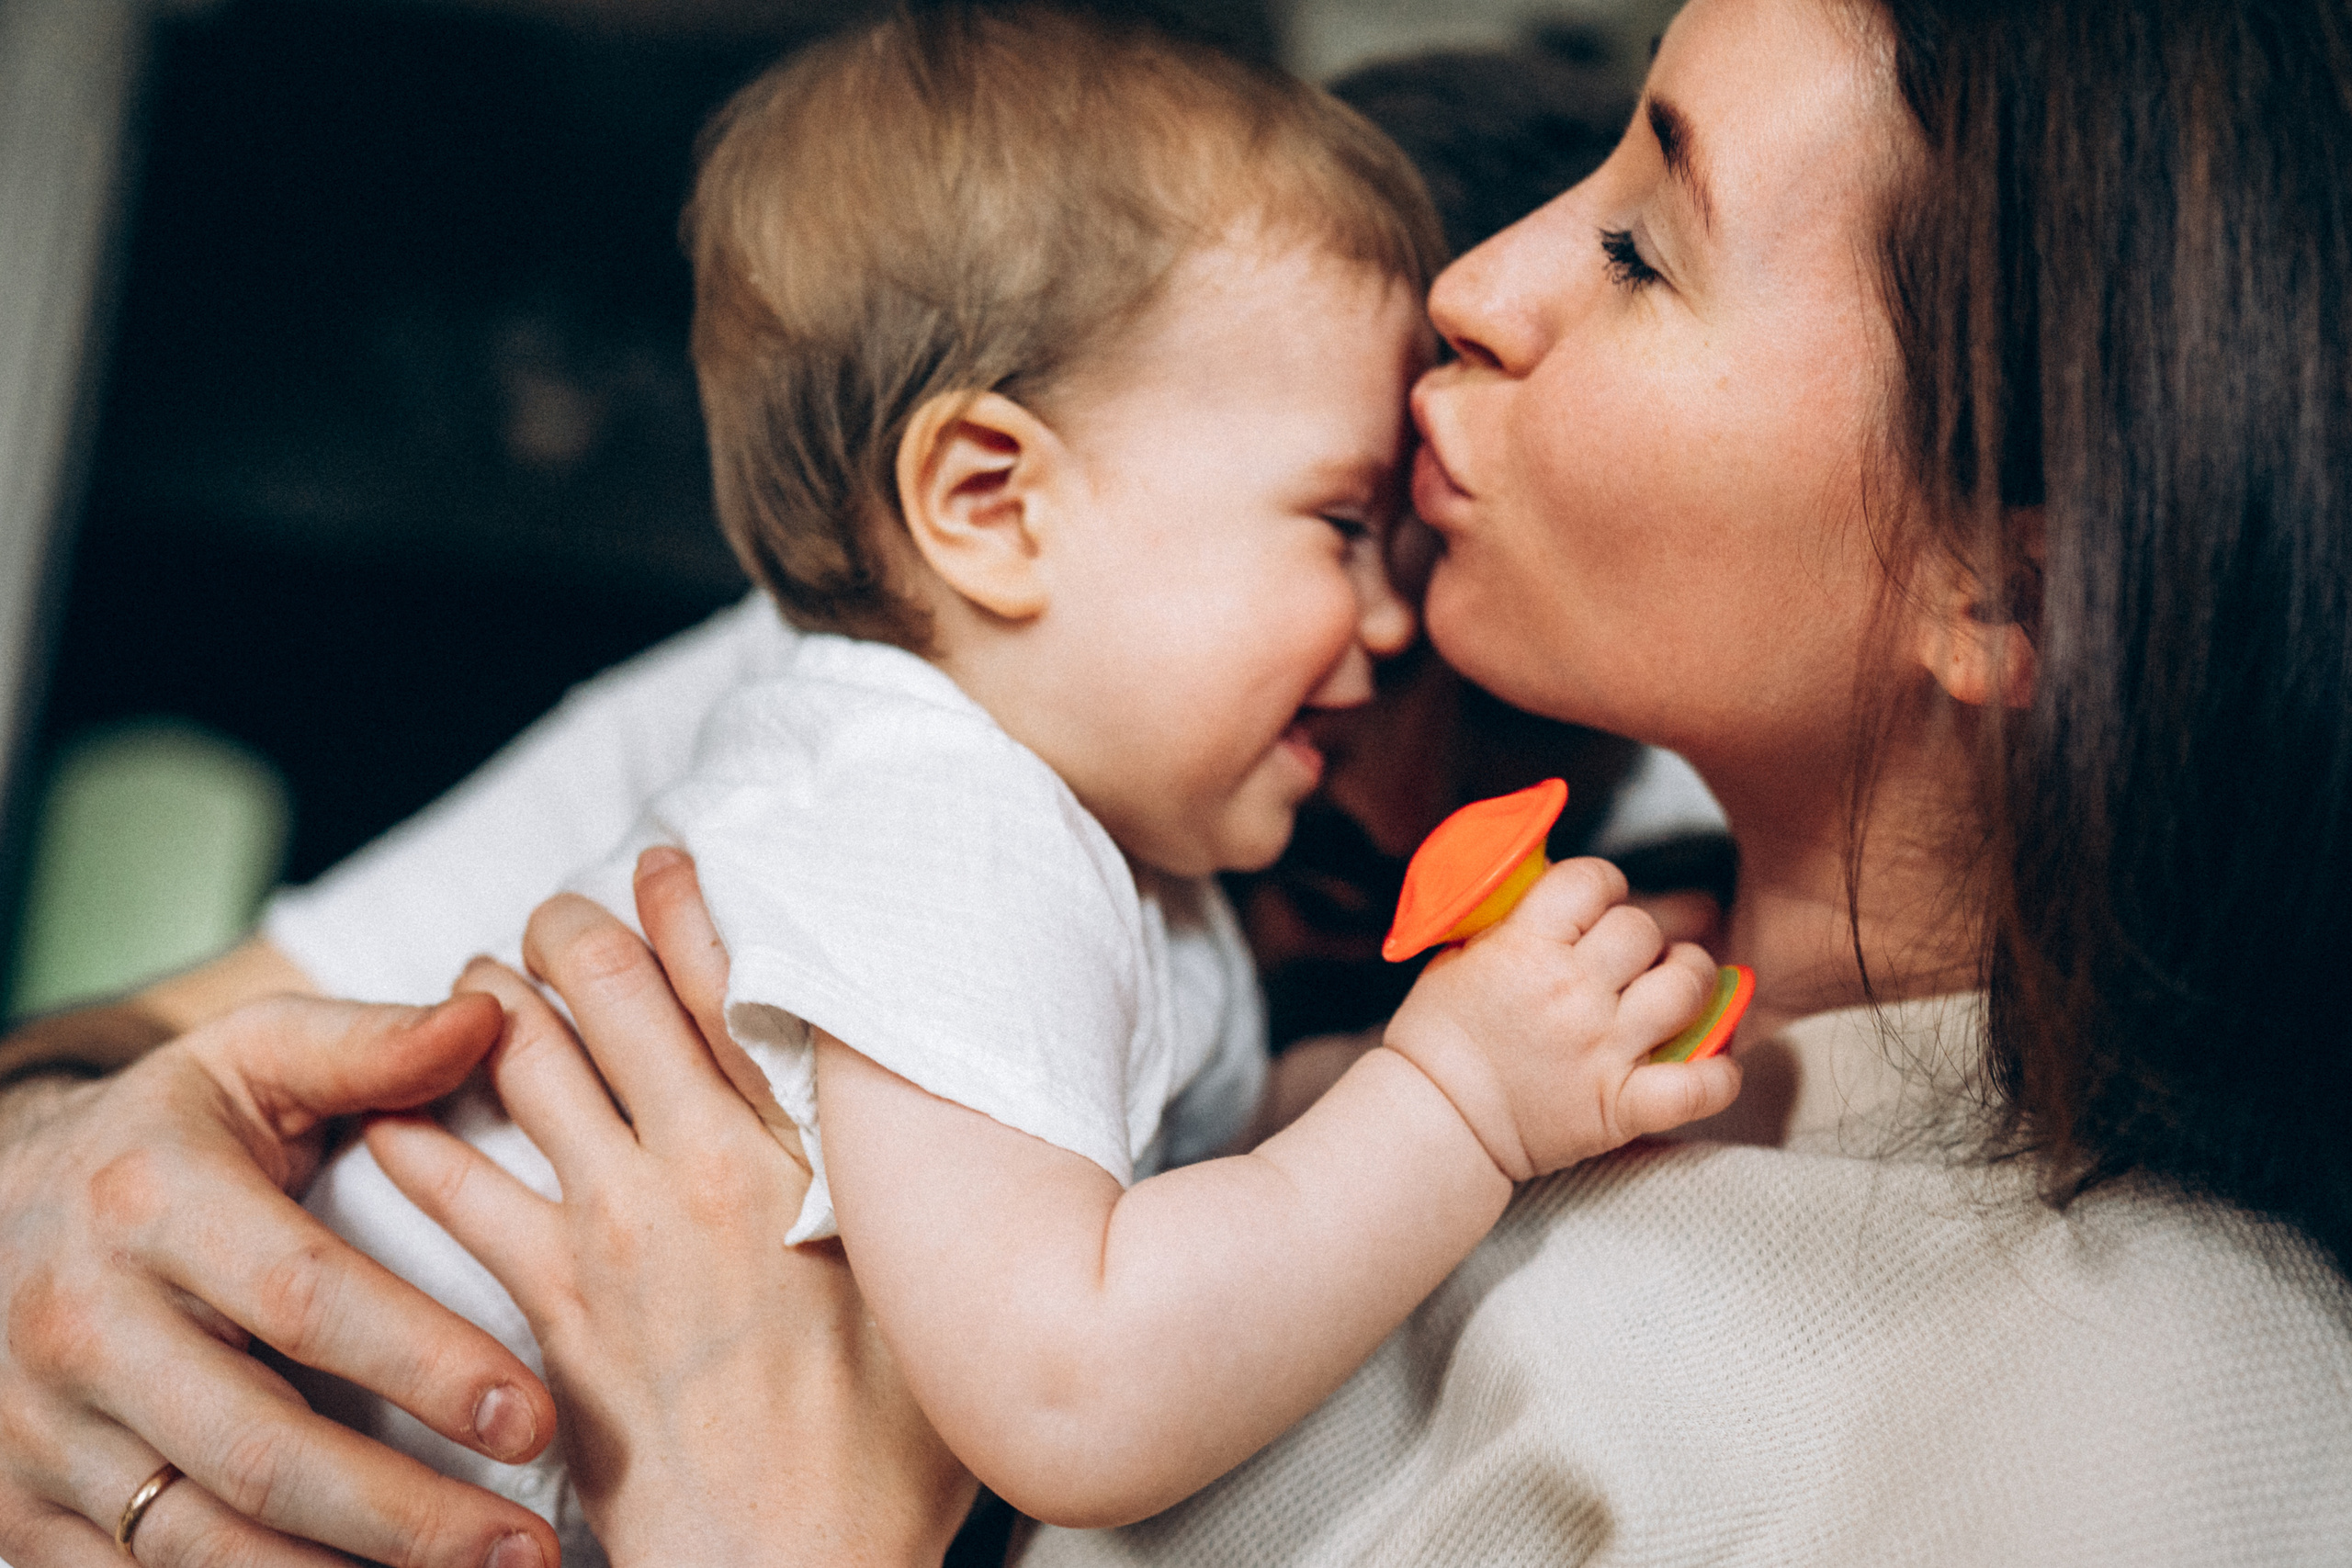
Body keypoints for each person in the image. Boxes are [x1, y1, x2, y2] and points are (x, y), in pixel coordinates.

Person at [4, 0, 2351, 1562]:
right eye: (1326, 521)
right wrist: (48, 1194)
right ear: (1002, 506)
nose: (1470, 309)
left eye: (1642, 246)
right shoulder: (954, 680)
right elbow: (137, 1043)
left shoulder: (2156, 1410)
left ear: (1995, 571)